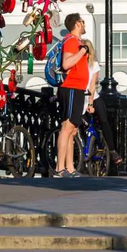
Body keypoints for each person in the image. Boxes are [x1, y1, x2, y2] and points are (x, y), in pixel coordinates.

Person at [83, 39, 125, 173]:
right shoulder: (76, 64)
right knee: (80, 124)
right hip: (80, 97)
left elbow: (92, 85)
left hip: (93, 96)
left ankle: (112, 151)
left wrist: (90, 102)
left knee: (104, 120)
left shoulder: (93, 65)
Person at [55, 13, 89, 178]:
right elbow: (66, 64)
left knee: (73, 129)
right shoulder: (71, 41)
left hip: (77, 88)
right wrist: (83, 51)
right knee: (66, 127)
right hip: (71, 88)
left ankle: (70, 168)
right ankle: (59, 168)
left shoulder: (76, 42)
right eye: (83, 21)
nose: (84, 24)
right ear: (77, 24)